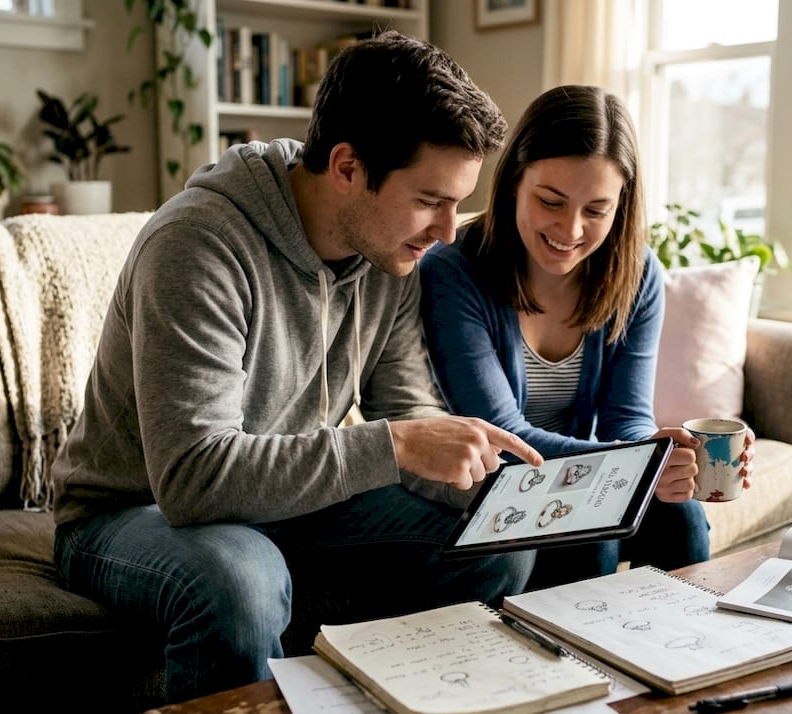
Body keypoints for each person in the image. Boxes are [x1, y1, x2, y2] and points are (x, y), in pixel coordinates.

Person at [49, 30, 544, 704]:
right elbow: (193, 479)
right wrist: (396, 446)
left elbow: (408, 408)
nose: (448, 231)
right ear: (347, 167)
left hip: (288, 503)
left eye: (457, 202)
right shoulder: (197, 246)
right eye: (431, 199)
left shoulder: (390, 254)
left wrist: (488, 486)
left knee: (495, 540)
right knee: (242, 580)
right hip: (127, 511)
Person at [419, 85, 751, 589]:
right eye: (550, 201)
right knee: (591, 530)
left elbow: (627, 419)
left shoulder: (636, 274)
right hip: (491, 483)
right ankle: (577, 660)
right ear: (513, 183)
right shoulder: (455, 271)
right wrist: (639, 463)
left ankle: (685, 652)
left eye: (596, 210)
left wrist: (673, 458)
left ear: (621, 205)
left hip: (586, 473)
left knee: (678, 514)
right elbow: (502, 436)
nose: (570, 229)